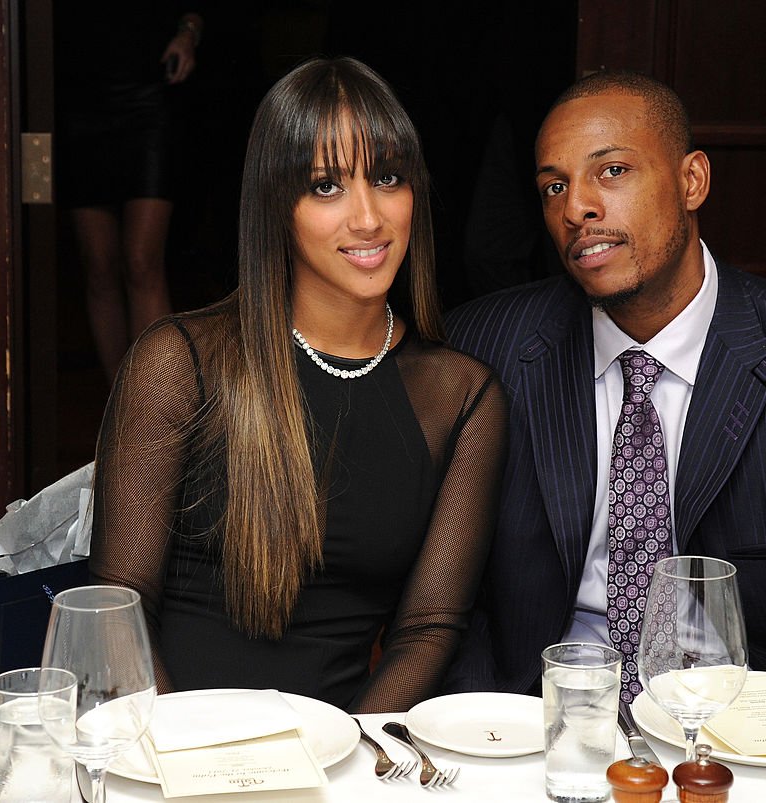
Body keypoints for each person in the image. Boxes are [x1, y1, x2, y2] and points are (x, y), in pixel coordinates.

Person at [444, 69, 766, 707]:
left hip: (744, 743)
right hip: (529, 729)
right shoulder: (483, 351)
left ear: (692, 181)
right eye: (554, 186)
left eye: (613, 171)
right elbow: (444, 614)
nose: (576, 208)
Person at [89, 56, 508, 714]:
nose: (368, 218)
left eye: (387, 178)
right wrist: (183, 758)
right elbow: (119, 602)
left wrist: (351, 758)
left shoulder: (461, 396)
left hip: (340, 759)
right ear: (276, 205)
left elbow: (428, 628)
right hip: (169, 748)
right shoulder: (178, 360)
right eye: (325, 186)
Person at [55, 3, 206, 381]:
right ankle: (119, 410)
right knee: (98, 262)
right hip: (78, 99)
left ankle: (159, 407)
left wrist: (188, 33)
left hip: (150, 94)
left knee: (141, 260)